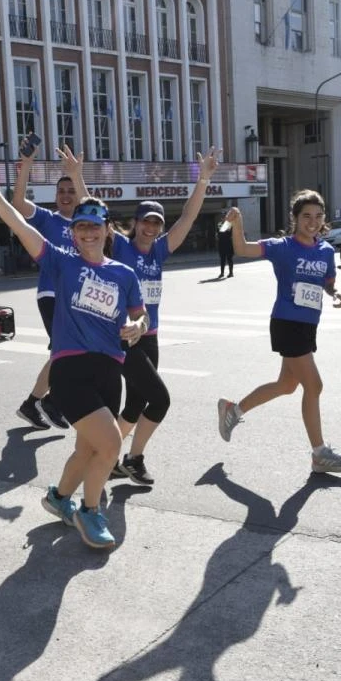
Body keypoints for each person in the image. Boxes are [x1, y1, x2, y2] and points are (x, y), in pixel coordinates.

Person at [0, 154, 146, 550]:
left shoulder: (124, 274)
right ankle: (89, 510)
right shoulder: (60, 263)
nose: (87, 233)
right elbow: (16, 221)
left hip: (109, 372)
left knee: (87, 449)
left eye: (94, 227)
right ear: (74, 231)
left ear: (105, 231)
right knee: (111, 445)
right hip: (70, 371)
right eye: (80, 227)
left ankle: (58, 497)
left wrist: (137, 327)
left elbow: (142, 316)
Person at [216, 191, 341, 474]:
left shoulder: (326, 251)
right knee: (314, 386)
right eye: (306, 216)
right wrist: (238, 222)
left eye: (318, 216)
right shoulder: (283, 247)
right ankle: (320, 454)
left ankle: (233, 410)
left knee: (287, 385)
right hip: (287, 323)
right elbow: (242, 249)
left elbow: (327, 282)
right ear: (295, 218)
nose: (313, 222)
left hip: (307, 326)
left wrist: (336, 294)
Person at [107, 149, 221, 485]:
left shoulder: (159, 250)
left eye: (157, 222)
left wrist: (203, 179)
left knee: (137, 402)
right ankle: (132, 458)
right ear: (136, 223)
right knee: (159, 399)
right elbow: (94, 214)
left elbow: (187, 217)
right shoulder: (121, 248)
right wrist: (77, 173)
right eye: (146, 221)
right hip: (126, 337)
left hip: (151, 336)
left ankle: (111, 458)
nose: (151, 227)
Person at [10, 141, 78, 431]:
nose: (65, 195)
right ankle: (50, 401)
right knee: (66, 351)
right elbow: (17, 205)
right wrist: (26, 166)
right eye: (60, 191)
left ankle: (36, 403)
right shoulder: (48, 220)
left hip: (77, 297)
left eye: (70, 190)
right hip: (51, 293)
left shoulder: (87, 224)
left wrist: (77, 174)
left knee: (67, 352)